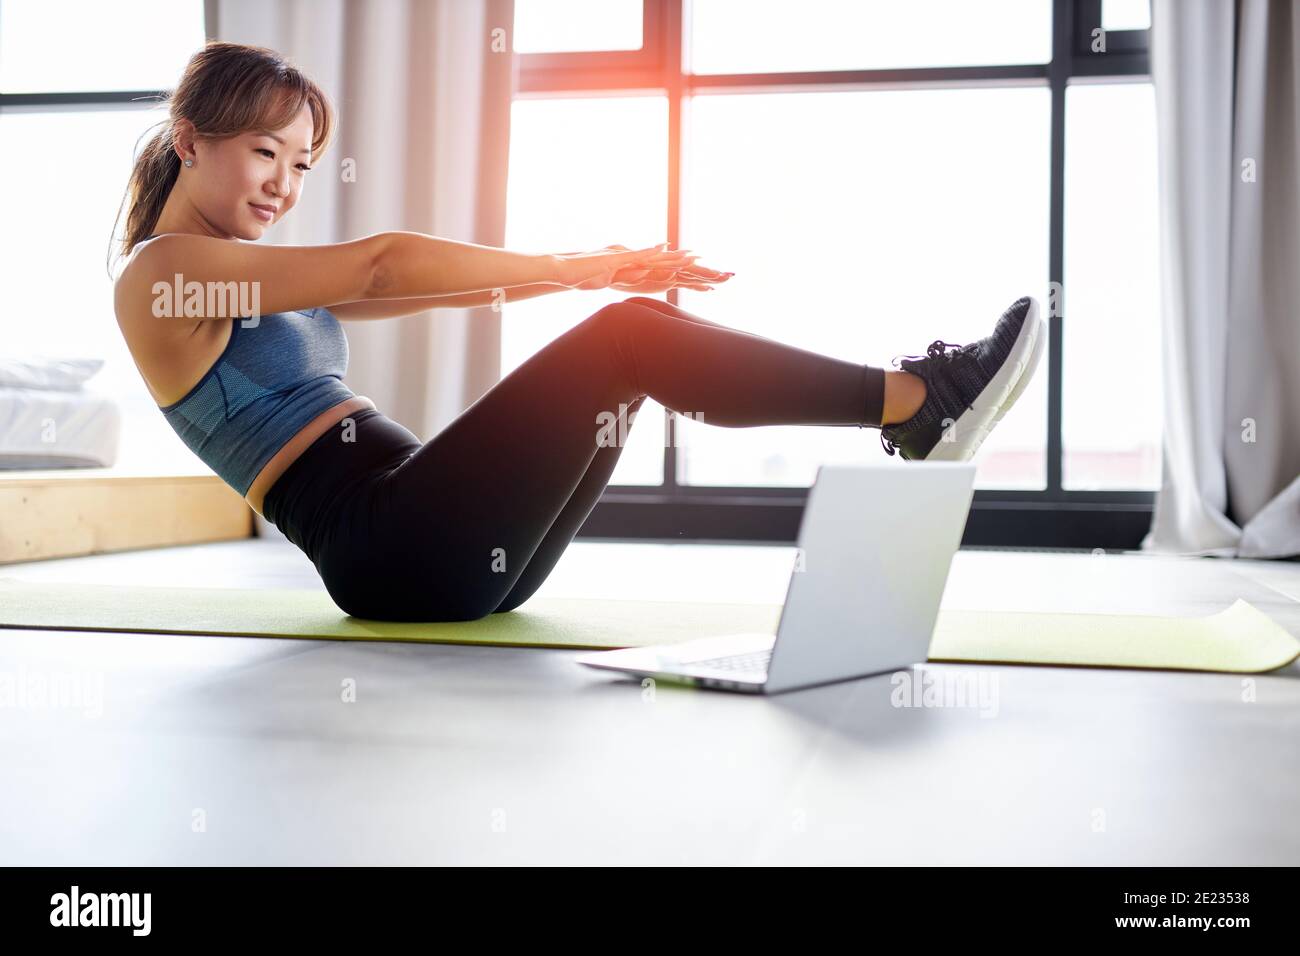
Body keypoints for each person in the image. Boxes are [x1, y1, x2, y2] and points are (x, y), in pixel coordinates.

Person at [112, 41, 1045, 622]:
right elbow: (381, 263)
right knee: (628, 336)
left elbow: (435, 294)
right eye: (263, 152)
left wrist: (582, 271)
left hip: (441, 553)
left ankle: (917, 414)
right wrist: (582, 275)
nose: (283, 182)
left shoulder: (244, 273)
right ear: (190, 140)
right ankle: (920, 406)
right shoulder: (161, 277)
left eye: (303, 162)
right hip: (390, 548)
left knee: (626, 353)